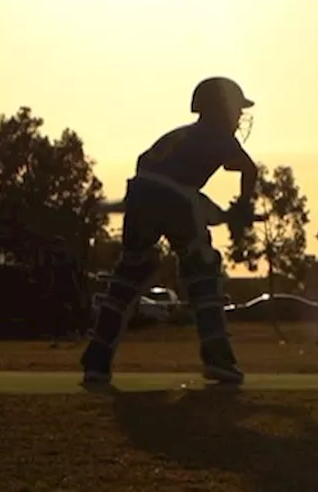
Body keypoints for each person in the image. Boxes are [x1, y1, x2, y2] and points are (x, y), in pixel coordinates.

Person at [81, 77, 258, 385]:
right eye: (236, 109)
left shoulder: (179, 135)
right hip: (174, 196)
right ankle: (217, 357)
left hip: (140, 193)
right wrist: (243, 206)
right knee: (202, 268)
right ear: (221, 108)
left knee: (130, 272)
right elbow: (248, 169)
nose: (239, 117)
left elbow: (156, 173)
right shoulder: (216, 132)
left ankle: (96, 359)